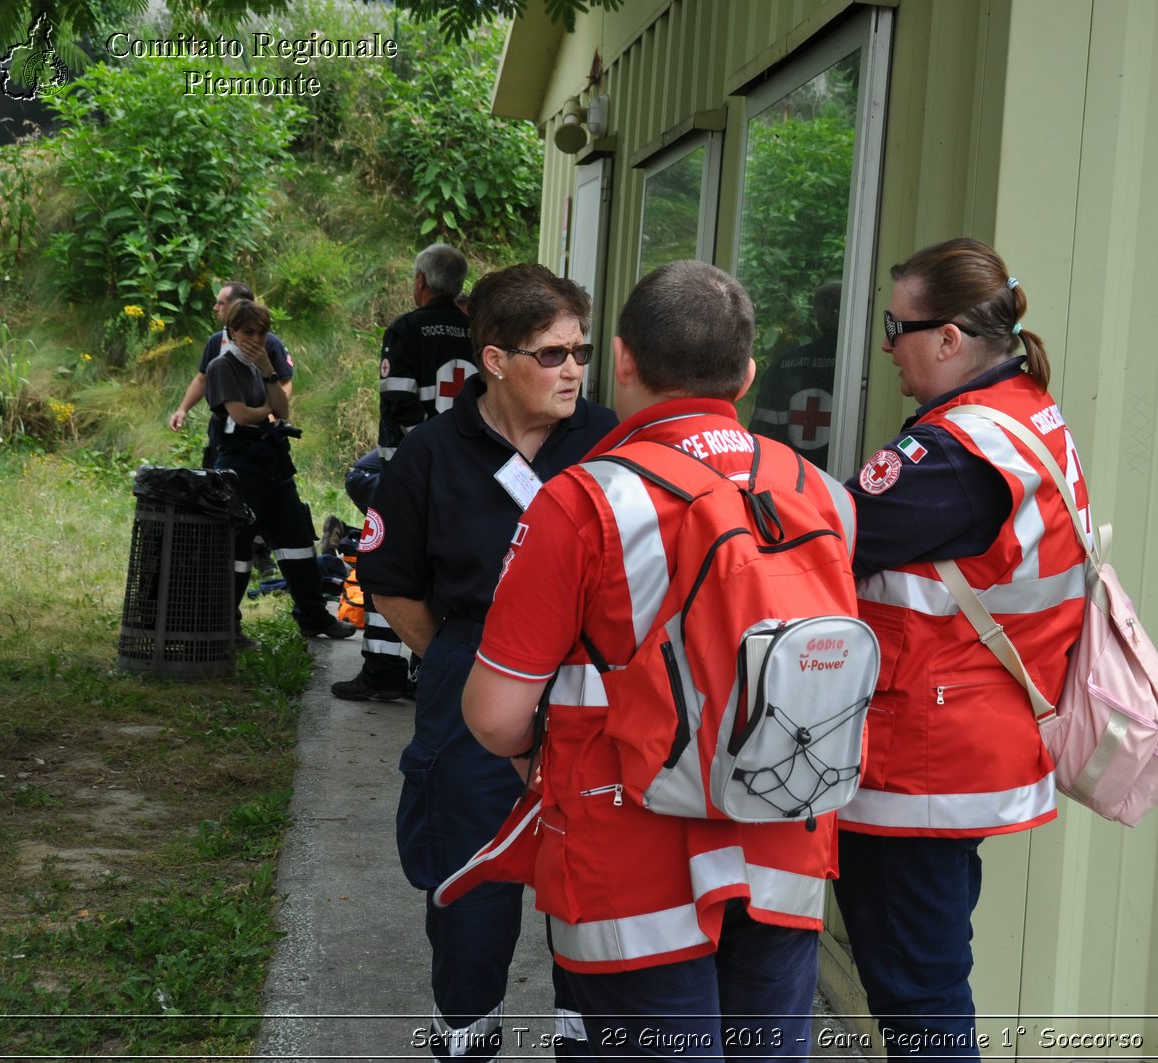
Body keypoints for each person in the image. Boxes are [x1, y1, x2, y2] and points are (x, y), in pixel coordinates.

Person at [461, 260, 852, 1060]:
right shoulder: (824, 493)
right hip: (783, 842)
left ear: (621, 358)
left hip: (628, 865)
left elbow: (496, 715)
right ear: (746, 374)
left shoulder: (581, 501)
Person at [832, 238, 1093, 1058]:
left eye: (896, 325)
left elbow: (825, 539)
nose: (885, 344)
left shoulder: (953, 452)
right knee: (929, 978)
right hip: (972, 730)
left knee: (918, 993)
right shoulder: (1024, 410)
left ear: (949, 339)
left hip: (924, 754)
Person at [355, 264, 616, 1062]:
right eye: (552, 354)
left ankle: (587, 1039)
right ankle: (466, 1036)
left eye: (581, 350)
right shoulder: (432, 453)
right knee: (471, 881)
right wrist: (461, 663)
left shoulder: (609, 440)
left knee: (597, 882)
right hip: (475, 668)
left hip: (592, 681)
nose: (572, 369)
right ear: (496, 361)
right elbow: (390, 577)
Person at [334, 243, 475, 702]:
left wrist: (425, 454)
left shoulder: (406, 329)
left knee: (388, 563)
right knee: (442, 567)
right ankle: (424, 671)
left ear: (420, 282)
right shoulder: (478, 330)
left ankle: (381, 670)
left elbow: (398, 400)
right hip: (469, 470)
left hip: (411, 471)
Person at [204, 300, 354, 641]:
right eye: (248, 332)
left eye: (262, 332)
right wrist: (267, 409)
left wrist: (269, 373)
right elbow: (240, 415)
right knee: (238, 548)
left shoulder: (261, 367)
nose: (255, 339)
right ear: (232, 331)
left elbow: (283, 409)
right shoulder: (221, 366)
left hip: (273, 464)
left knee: (298, 540)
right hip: (240, 466)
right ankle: (227, 625)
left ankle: (314, 616)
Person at [169, 281, 295, 462]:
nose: (215, 308)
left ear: (240, 305)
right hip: (224, 431)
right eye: (249, 332)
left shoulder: (271, 344)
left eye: (221, 303)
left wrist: (270, 412)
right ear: (233, 331)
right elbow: (202, 380)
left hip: (262, 432)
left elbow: (284, 382)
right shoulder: (217, 343)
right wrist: (182, 410)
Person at [750, 280, 840, 467]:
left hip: (789, 477)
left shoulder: (783, 366)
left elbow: (761, 437)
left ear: (818, 314)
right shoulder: (860, 371)